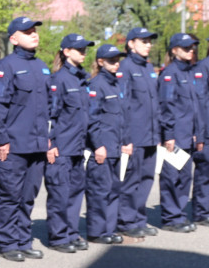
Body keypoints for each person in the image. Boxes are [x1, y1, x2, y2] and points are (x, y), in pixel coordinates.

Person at [0, 16, 50, 262]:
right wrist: (1, 140)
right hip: (12, 145)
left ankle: (24, 240)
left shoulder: (42, 67)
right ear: (14, 38)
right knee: (10, 195)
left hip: (36, 144)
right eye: (27, 32)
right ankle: (8, 243)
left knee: (28, 196)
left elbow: (49, 108)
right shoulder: (5, 67)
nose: (34, 35)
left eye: (35, 31)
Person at [45, 34, 95, 253]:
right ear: (66, 52)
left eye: (85, 49)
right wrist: (51, 143)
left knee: (75, 191)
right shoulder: (60, 79)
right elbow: (50, 115)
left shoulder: (81, 79)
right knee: (60, 193)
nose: (83, 52)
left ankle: (71, 232)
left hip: (77, 146)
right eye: (79, 49)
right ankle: (58, 237)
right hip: (62, 146)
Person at [157, 32, 203, 233]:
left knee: (185, 178)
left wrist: (197, 133)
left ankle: (179, 214)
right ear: (174, 50)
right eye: (186, 47)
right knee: (172, 178)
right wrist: (168, 135)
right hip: (175, 136)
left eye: (192, 47)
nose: (191, 50)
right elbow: (166, 106)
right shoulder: (170, 74)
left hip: (188, 135)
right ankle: (171, 218)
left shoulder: (189, 73)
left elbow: (194, 107)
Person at [117, 27, 160, 239]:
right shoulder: (125, 67)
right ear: (131, 44)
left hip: (151, 135)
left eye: (149, 41)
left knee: (146, 179)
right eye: (143, 41)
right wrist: (125, 138)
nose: (148, 44)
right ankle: (126, 221)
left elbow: (155, 103)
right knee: (131, 180)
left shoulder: (149, 68)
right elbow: (122, 105)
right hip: (134, 136)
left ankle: (139, 219)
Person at [85, 45, 128, 245]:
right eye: (111, 60)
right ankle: (97, 231)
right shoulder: (97, 84)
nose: (116, 63)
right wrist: (98, 145)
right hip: (103, 148)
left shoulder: (115, 84)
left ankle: (108, 230)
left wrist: (125, 141)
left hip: (116, 146)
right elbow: (92, 119)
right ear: (100, 62)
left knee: (113, 190)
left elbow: (120, 117)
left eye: (118, 59)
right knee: (99, 191)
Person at [192, 47, 209, 226]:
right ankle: (201, 212)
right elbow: (201, 101)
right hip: (207, 127)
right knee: (205, 172)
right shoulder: (204, 66)